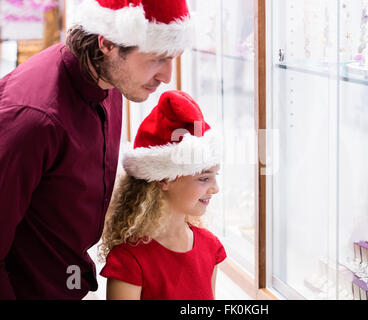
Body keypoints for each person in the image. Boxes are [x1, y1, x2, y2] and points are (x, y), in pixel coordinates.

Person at [0, 0, 193, 299]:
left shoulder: (110, 81)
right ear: (108, 44)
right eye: (157, 58)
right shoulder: (33, 118)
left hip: (69, 280)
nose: (167, 76)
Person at [99, 90, 226, 300]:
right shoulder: (129, 260)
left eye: (215, 176)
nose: (215, 188)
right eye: (204, 178)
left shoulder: (210, 247)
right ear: (165, 179)